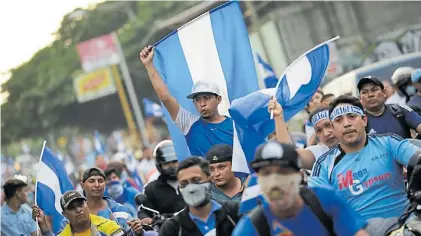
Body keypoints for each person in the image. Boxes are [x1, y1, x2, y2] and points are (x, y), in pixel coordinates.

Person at [310, 95, 421, 220]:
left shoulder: (389, 142)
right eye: (339, 120)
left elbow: (417, 157)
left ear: (364, 120)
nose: (346, 124)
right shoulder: (324, 164)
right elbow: (311, 204)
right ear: (334, 129)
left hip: (407, 225)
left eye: (352, 116)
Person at [232, 141, 369, 236]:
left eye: (283, 172)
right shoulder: (252, 226)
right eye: (266, 173)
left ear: (300, 176)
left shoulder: (325, 201)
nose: (274, 182)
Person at [139, 46, 233, 157]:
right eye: (197, 100)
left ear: (219, 99)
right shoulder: (189, 123)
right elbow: (165, 97)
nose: (202, 103)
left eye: (207, 98)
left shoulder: (234, 125)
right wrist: (149, 65)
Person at [159, 157, 241, 236]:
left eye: (195, 180)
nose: (190, 188)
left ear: (210, 179)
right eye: (184, 184)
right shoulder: (172, 228)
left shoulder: (235, 212)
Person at [33, 190, 153, 236]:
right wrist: (43, 225)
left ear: (86, 205)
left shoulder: (108, 225)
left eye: (80, 204)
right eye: (72, 208)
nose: (78, 210)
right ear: (65, 215)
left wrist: (137, 232)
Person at [269, 97, 338, 170]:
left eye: (329, 125)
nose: (326, 133)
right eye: (319, 130)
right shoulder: (320, 153)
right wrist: (278, 117)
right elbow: (290, 155)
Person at [59, 167, 136, 232]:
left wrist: (138, 231)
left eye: (100, 181)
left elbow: (132, 232)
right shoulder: (72, 216)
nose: (97, 185)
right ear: (82, 185)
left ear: (105, 184)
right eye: (91, 181)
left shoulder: (119, 210)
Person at [138, 140, 185, 224]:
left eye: (174, 162)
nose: (171, 167)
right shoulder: (151, 189)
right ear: (159, 165)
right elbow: (144, 212)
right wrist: (147, 220)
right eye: (166, 163)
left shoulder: (193, 181)